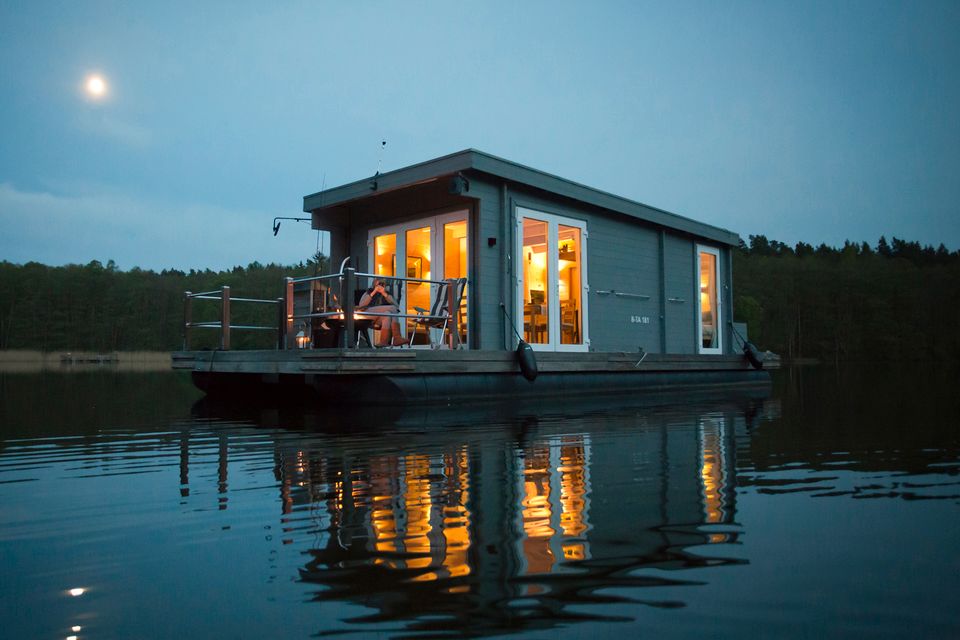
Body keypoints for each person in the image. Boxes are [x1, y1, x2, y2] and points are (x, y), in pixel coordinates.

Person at [357, 278, 405, 346]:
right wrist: (374, 292)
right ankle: (397, 337)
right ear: (374, 284)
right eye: (378, 284)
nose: (380, 286)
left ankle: (383, 342)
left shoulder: (387, 294)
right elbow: (361, 305)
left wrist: (384, 293)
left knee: (387, 315)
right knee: (392, 308)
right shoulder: (369, 292)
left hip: (378, 319)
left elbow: (396, 306)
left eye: (382, 284)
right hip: (367, 315)